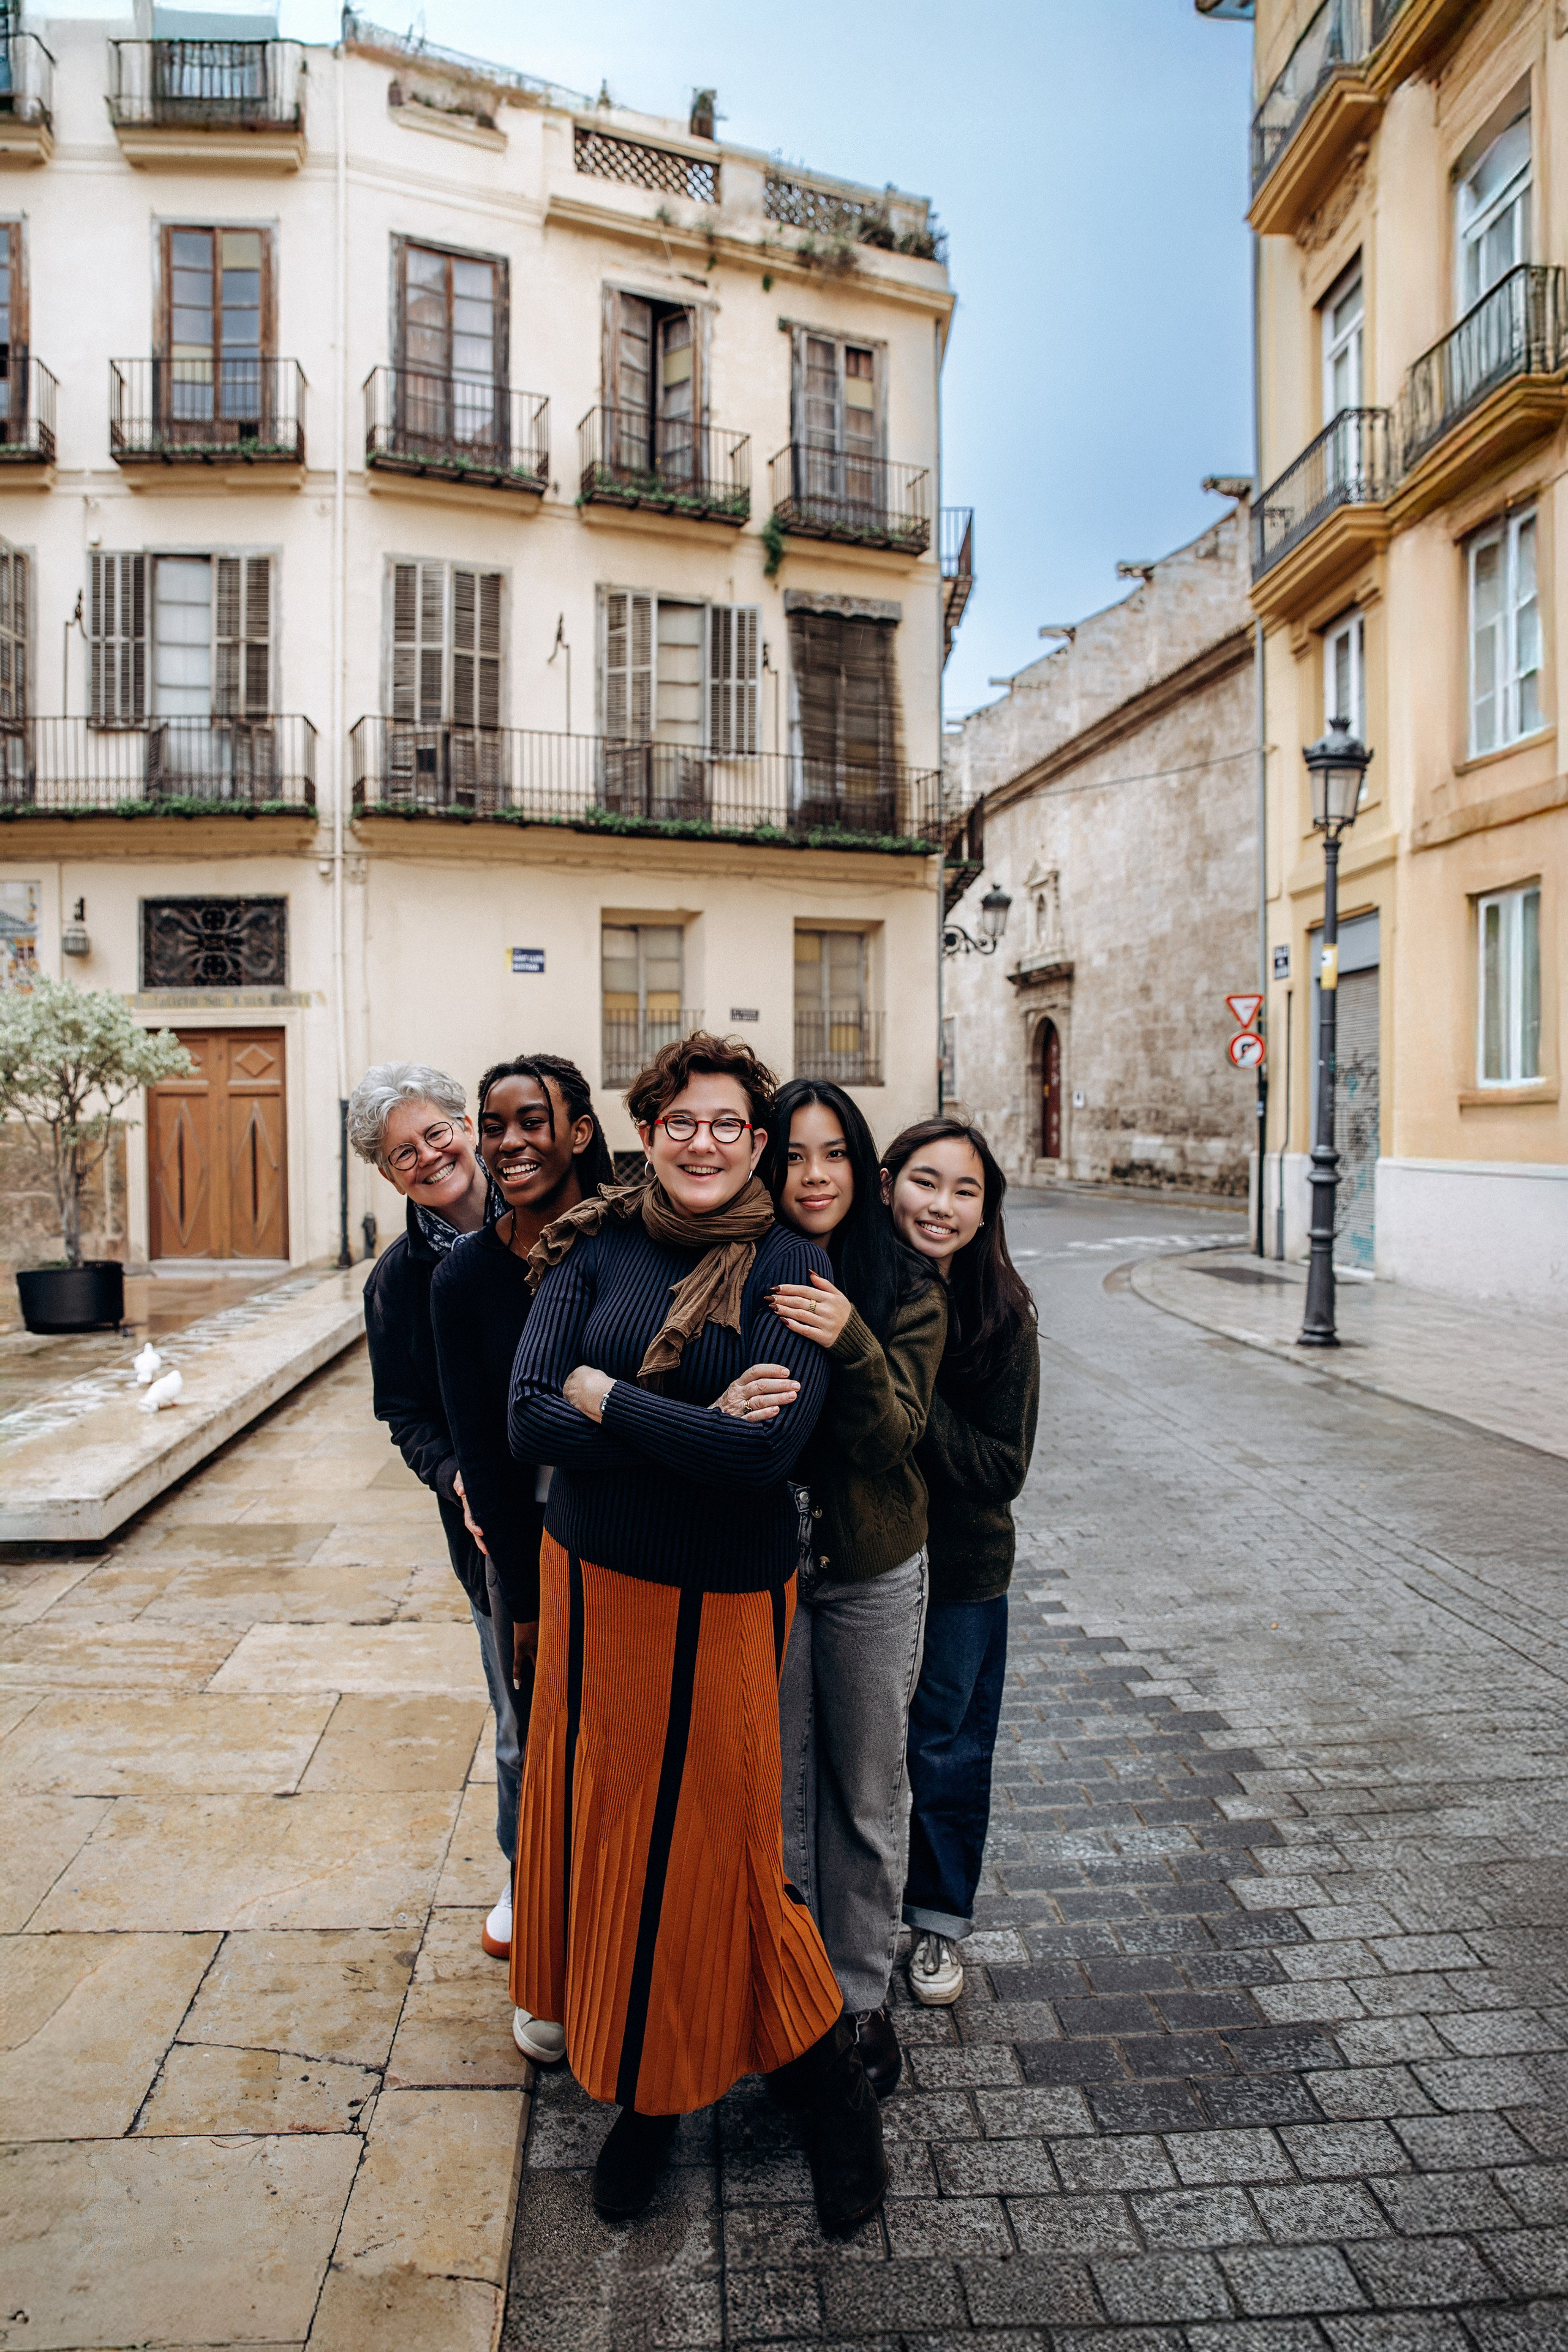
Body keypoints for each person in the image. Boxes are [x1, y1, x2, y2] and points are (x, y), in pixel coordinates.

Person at [507, 1033, 888, 2234]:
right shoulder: (594, 1245)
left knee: (717, 1849)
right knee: (619, 1836)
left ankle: (828, 2097)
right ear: (647, 1131)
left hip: (725, 1594)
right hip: (594, 1587)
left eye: (727, 1124)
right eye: (681, 1123)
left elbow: (761, 1454)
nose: (703, 1143)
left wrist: (607, 1397)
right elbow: (525, 1413)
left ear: (756, 1143)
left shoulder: (790, 1267)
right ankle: (651, 2095)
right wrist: (685, 1422)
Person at [744, 1077, 945, 2101]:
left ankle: (860, 1999)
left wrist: (848, 1335)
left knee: (866, 1791)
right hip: (764, 1573)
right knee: (777, 1796)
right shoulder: (738, 1266)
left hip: (871, 1569)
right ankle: (791, 1997)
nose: (811, 1176)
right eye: (792, 1154)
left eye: (831, 1155)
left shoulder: (904, 1282)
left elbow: (893, 1435)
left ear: (860, 1171)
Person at [429, 1055, 614, 2003]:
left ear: (578, 1132)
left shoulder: (630, 1242)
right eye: (491, 1125)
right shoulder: (464, 1279)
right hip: (531, 1546)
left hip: (634, 1536)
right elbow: (486, 1458)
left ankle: (627, 1949)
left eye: (530, 1121)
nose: (508, 1143)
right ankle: (549, 1963)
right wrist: (526, 1608)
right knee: (539, 1748)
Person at [350, 1062, 518, 1958]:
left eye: (436, 1132)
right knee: (520, 1722)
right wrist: (453, 1474)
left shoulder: (550, 1216)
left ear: (465, 1122)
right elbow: (404, 1413)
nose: (428, 1156)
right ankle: (528, 1877)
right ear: (387, 1174)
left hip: (598, 1505)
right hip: (491, 1532)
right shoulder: (398, 1281)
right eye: (401, 1152)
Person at [880, 1118, 1039, 2010]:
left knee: (947, 1748)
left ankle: (938, 1924)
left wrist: (908, 1384)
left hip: (963, 1572)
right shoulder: (854, 1287)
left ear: (985, 1214)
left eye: (965, 1191)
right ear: (889, 1183)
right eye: (925, 1181)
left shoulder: (1002, 1318)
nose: (941, 1206)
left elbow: (1001, 1470)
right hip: (864, 1563)